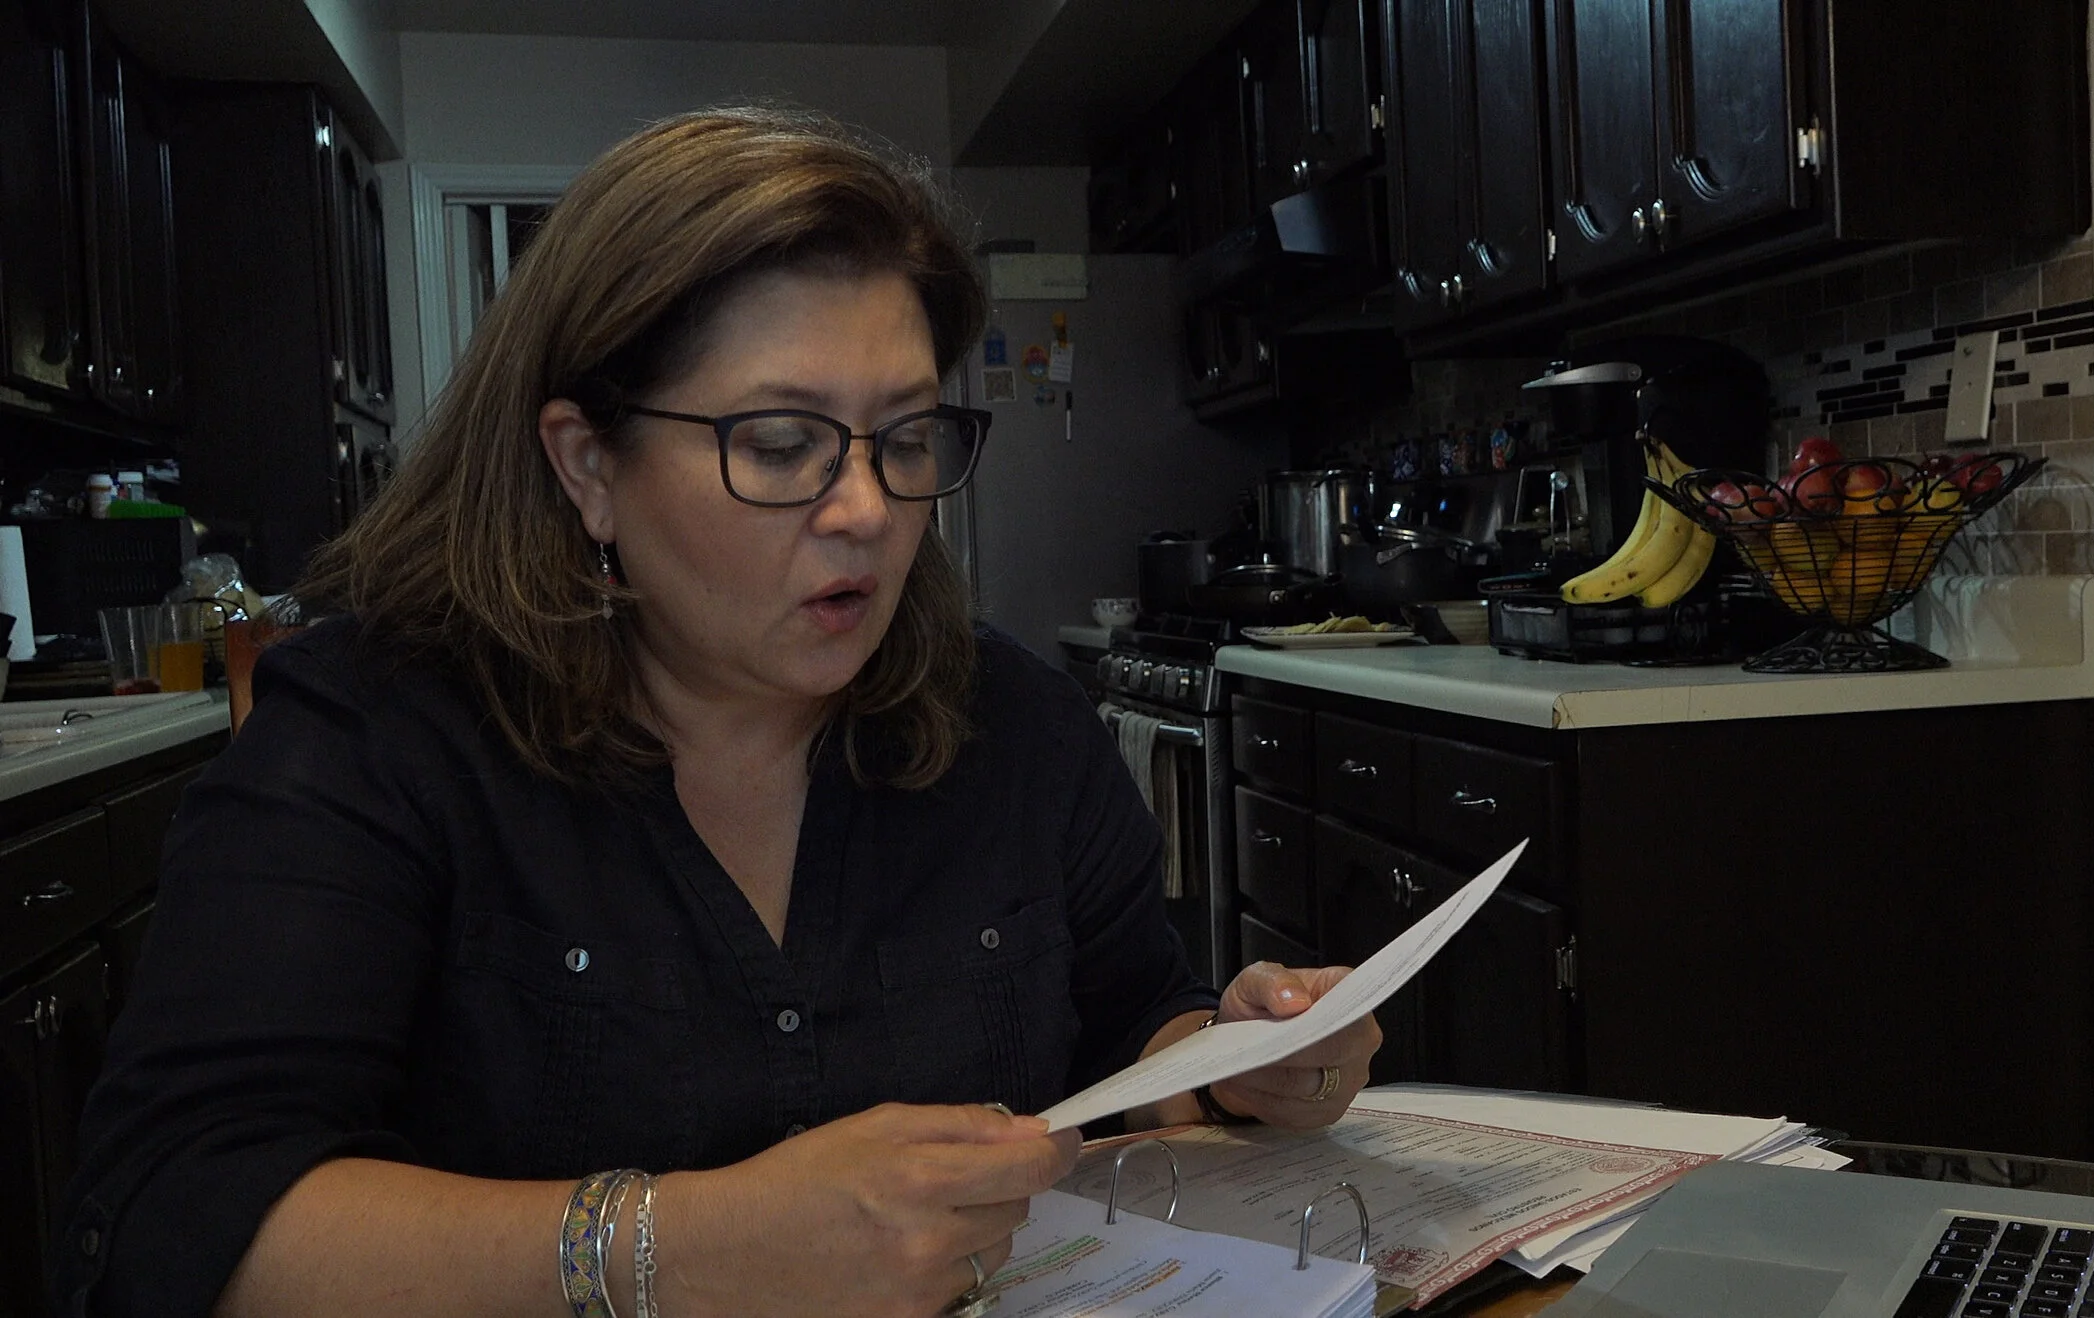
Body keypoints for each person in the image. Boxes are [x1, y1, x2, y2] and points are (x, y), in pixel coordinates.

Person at [55, 107, 1383, 1318]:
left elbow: (1132, 1020)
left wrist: (1232, 1059)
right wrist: (683, 1245)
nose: (868, 509)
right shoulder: (371, 736)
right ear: (588, 468)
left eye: (906, 437)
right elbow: (178, 1217)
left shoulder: (1015, 727)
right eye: (782, 442)